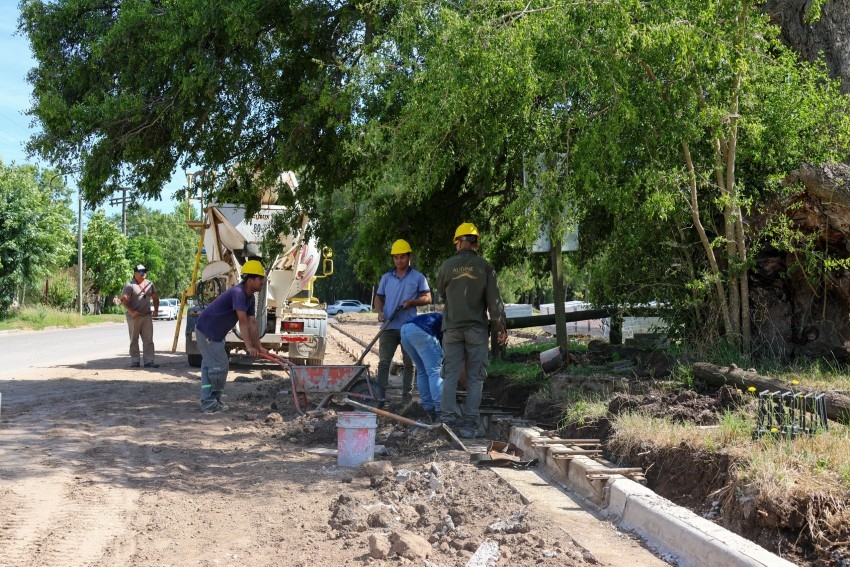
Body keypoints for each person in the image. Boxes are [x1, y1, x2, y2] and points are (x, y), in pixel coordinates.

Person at [437, 223, 507, 438]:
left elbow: (441, 294)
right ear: (476, 243)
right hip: (476, 329)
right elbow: (494, 303)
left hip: (451, 329)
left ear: (458, 242)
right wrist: (500, 327)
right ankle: (469, 425)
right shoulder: (485, 267)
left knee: (450, 375)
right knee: (475, 378)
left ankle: (447, 421)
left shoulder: (446, 266)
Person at [194, 259, 269, 413]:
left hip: (215, 333)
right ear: (250, 280)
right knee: (220, 367)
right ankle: (210, 403)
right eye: (260, 279)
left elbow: (252, 322)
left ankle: (210, 401)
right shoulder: (238, 292)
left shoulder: (250, 297)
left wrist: (259, 346)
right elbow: (242, 321)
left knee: (210, 367)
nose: (263, 282)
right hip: (207, 331)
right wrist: (248, 346)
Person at [374, 239, 432, 403]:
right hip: (389, 326)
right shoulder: (386, 278)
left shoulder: (418, 277)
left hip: (408, 327)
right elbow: (378, 298)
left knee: (409, 363)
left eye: (402, 257)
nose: (399, 261)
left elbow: (427, 297)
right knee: (384, 362)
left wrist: (412, 302)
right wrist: (379, 312)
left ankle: (406, 397)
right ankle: (380, 395)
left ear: (409, 257)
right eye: (396, 257)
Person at [400, 312, 444, 422]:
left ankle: (428, 408)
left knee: (422, 371)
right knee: (435, 371)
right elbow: (445, 345)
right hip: (420, 331)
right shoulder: (448, 322)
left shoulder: (438, 317)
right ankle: (440, 411)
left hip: (405, 330)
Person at [120, 264, 160, 368]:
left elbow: (155, 297)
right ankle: (135, 361)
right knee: (134, 339)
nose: (144, 274)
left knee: (148, 339)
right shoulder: (130, 285)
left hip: (146, 316)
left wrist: (156, 310)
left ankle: (149, 361)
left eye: (145, 271)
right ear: (135, 273)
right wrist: (132, 311)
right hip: (134, 317)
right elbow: (123, 299)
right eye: (141, 272)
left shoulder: (150, 284)